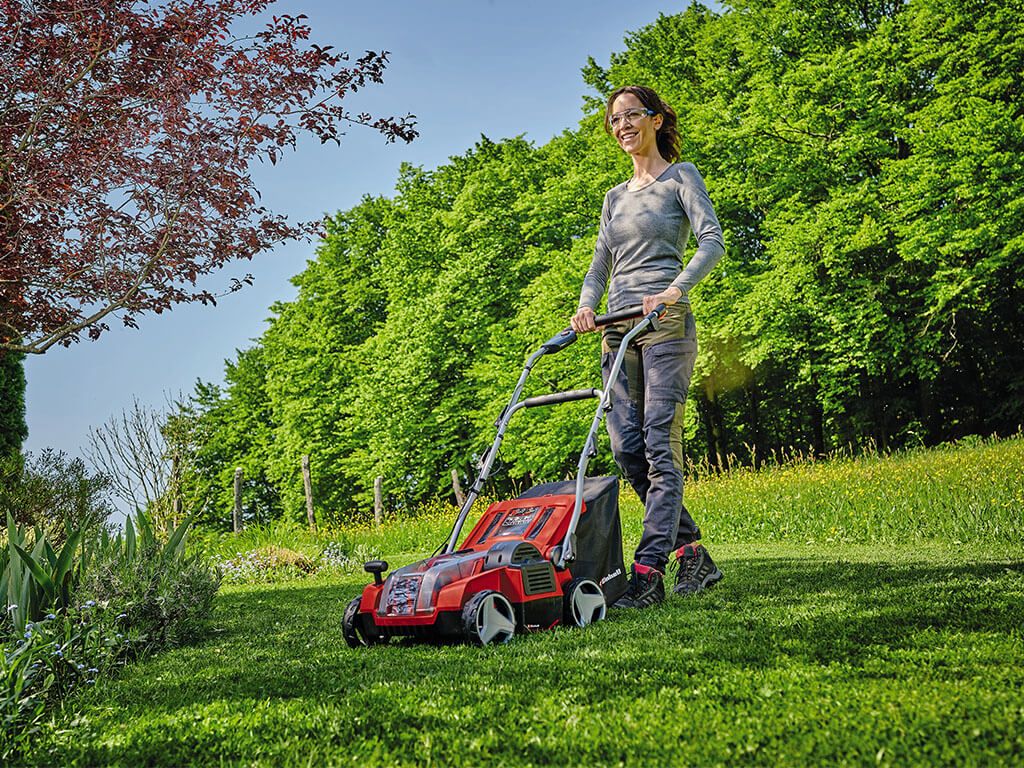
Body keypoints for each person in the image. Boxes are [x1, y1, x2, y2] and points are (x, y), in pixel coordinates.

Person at [570, 85, 725, 608]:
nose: (622, 126)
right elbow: (599, 266)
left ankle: (648, 570)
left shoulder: (681, 177)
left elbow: (712, 239)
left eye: (631, 116)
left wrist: (675, 289)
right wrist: (586, 306)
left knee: (660, 445)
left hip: (665, 324)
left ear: (657, 120)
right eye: (614, 120)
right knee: (626, 450)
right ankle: (694, 555)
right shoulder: (614, 198)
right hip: (618, 329)